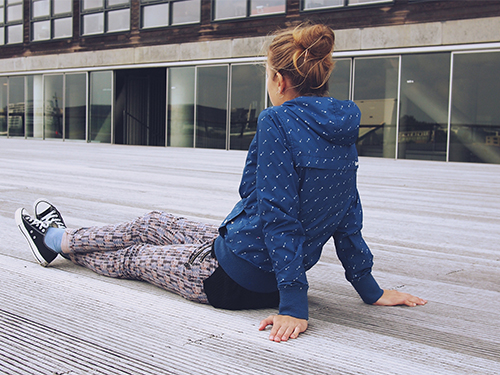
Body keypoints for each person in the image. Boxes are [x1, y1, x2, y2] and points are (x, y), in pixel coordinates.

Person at [15, 23, 427, 343]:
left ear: (280, 81)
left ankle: (53, 244)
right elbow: (347, 214)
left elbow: (277, 215)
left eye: (267, 75)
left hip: (233, 279)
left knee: (136, 256)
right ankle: (63, 237)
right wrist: (370, 289)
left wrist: (294, 308)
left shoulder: (277, 121)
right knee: (151, 222)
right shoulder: (341, 129)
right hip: (243, 248)